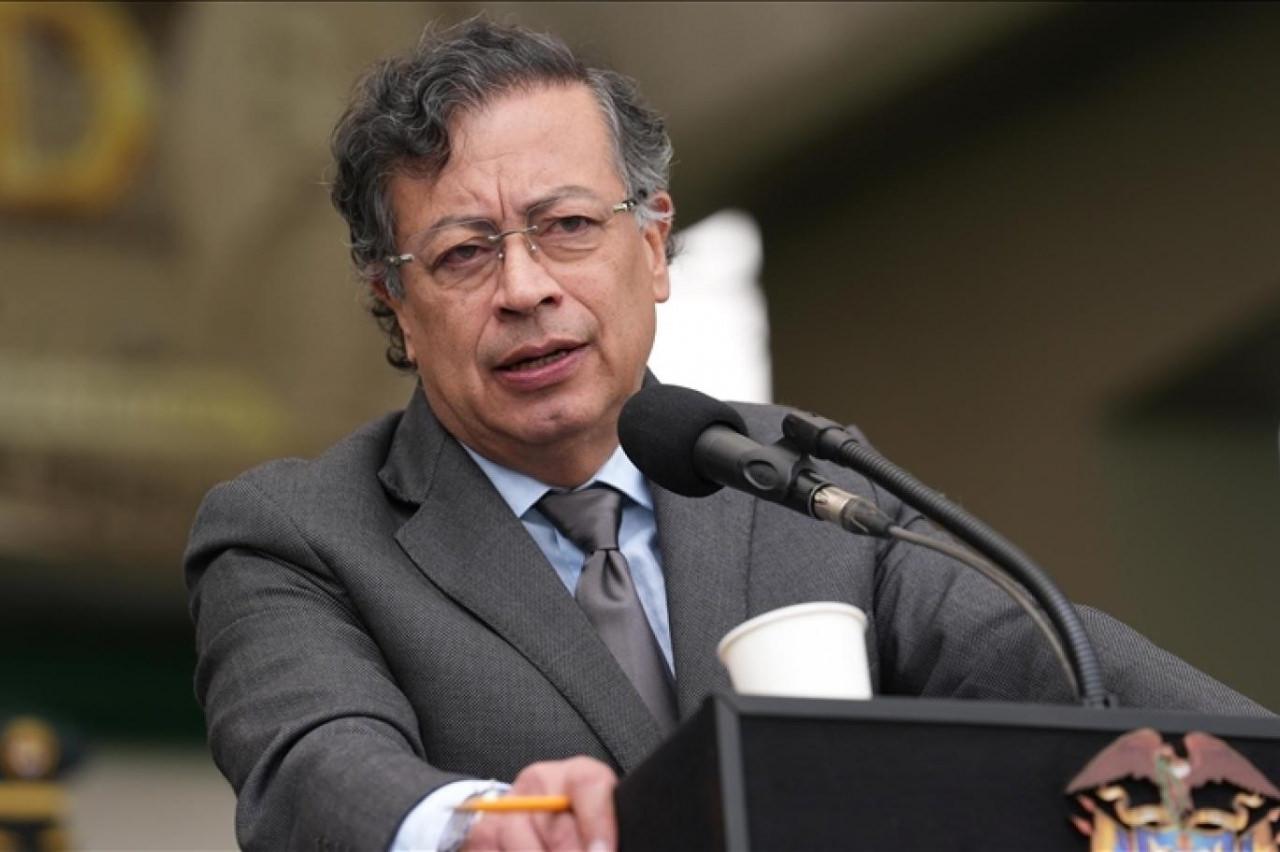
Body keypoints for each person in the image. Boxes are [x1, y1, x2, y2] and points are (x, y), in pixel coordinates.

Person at [184, 18, 1270, 852]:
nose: (525, 288)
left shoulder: (794, 473)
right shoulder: (296, 533)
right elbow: (312, 767)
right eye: (465, 253)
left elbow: (1072, 680)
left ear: (653, 246)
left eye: (568, 227)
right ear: (394, 302)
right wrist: (479, 824)